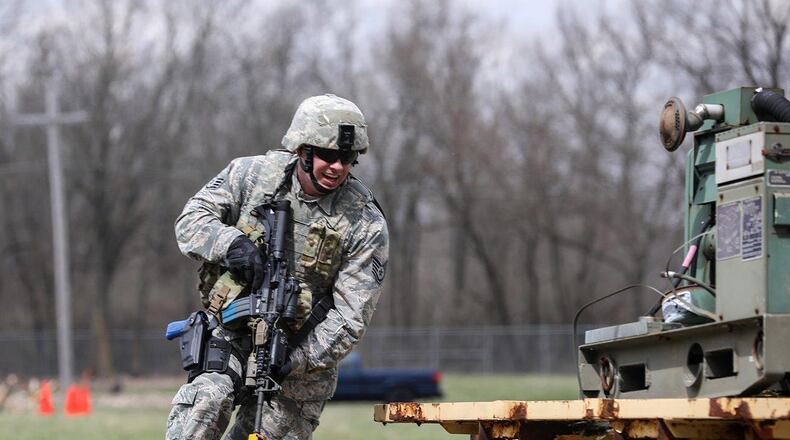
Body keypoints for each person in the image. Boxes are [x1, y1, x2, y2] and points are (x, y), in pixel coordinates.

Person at [165, 94, 389, 440]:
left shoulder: (364, 222)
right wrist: (231, 245)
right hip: (232, 333)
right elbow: (191, 221)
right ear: (302, 150)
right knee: (205, 403)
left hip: (301, 362)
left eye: (347, 159)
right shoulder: (251, 175)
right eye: (328, 156)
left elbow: (350, 319)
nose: (338, 167)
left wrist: (295, 360)